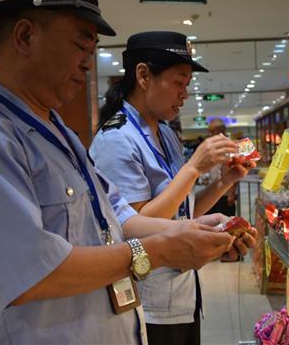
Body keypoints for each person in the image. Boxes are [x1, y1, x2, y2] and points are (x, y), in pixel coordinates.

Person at [0, 0, 243, 344]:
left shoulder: (56, 132)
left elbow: (118, 217)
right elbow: (33, 273)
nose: (89, 63)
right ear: (25, 36)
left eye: (92, 51)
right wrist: (157, 252)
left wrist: (191, 230)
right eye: (80, 46)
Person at [89, 31, 257, 344]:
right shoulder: (116, 140)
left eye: (188, 84)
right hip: (146, 303)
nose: (185, 94)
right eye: (179, 82)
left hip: (182, 292)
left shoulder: (165, 134)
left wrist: (225, 180)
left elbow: (181, 210)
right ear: (143, 76)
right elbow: (135, 227)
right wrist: (194, 167)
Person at [204, 118, 238, 218]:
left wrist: (231, 194)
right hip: (212, 193)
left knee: (225, 221)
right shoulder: (214, 146)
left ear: (218, 131)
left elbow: (234, 170)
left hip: (224, 194)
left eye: (211, 132)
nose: (209, 135)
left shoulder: (230, 147)